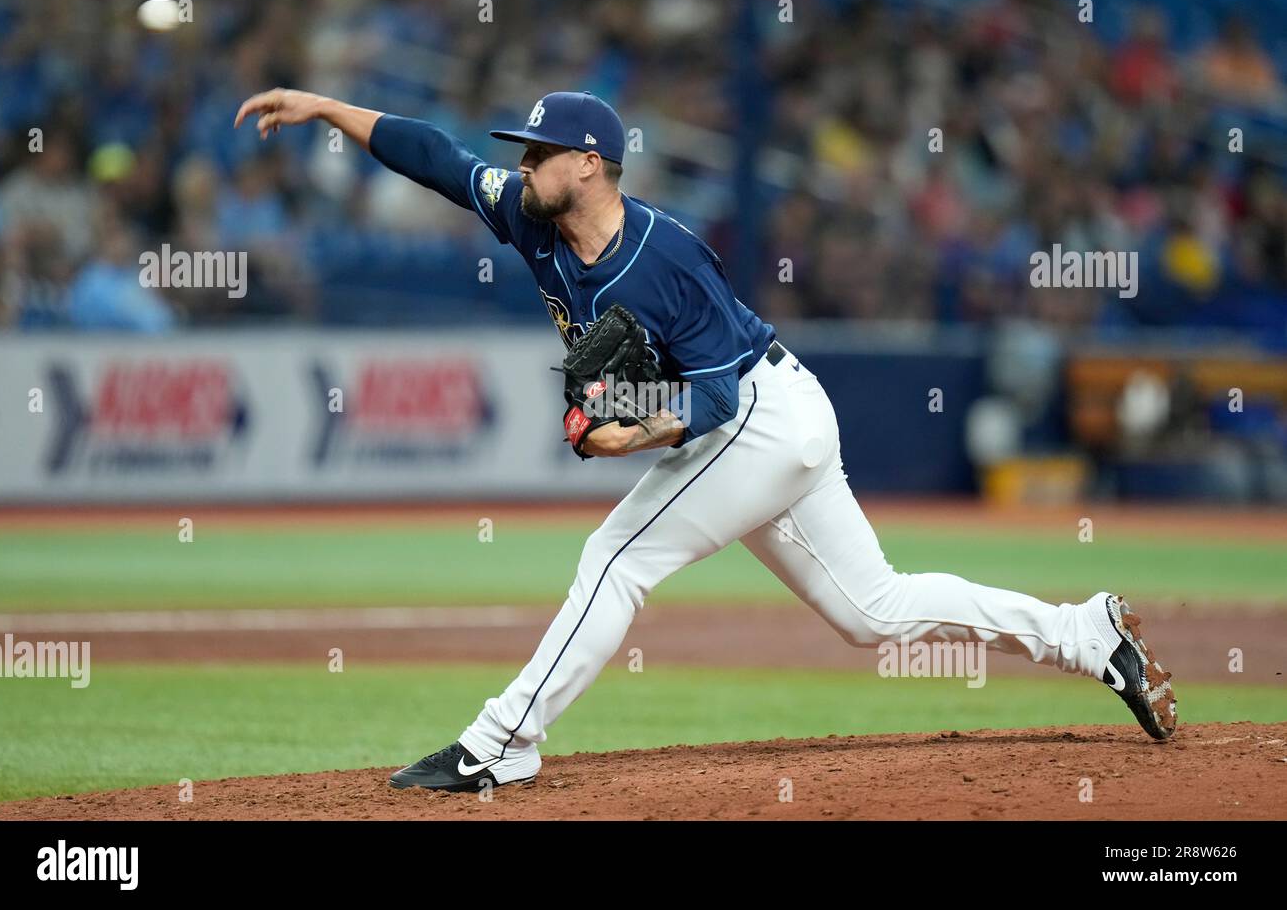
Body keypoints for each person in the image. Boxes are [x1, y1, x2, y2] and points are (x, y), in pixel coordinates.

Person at [234, 89, 1178, 792]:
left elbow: (717, 400)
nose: (522, 166)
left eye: (541, 154)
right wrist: (326, 108)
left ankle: (497, 744)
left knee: (615, 556)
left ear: (592, 163)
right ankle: (1082, 632)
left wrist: (624, 438)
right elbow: (435, 156)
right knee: (874, 612)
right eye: (524, 155)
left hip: (763, 414)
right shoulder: (534, 221)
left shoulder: (665, 255)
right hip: (771, 422)